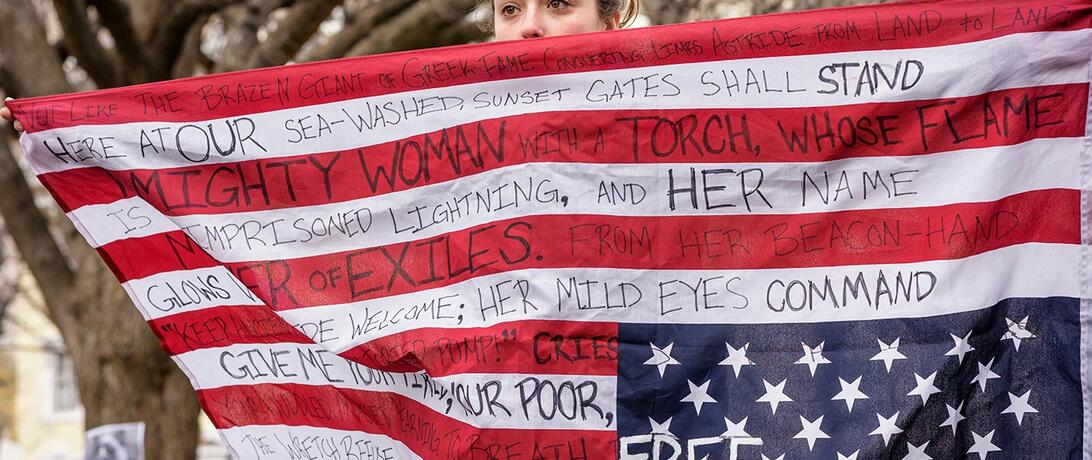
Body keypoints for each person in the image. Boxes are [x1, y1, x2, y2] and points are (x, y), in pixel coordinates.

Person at [0, 0, 639, 130]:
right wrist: (74, 126)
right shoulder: (450, 128)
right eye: (509, 9)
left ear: (613, 17)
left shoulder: (678, 123)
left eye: (559, 4)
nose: (528, 24)